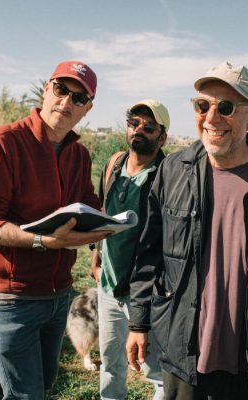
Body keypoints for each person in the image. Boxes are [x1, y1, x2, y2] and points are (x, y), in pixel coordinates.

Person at [126, 61, 248, 399]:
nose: (211, 118)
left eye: (225, 107)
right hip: (184, 348)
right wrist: (138, 323)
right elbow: (149, 253)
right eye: (202, 105)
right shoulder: (173, 170)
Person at [0, 60, 109, 400]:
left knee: (42, 388)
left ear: (87, 109)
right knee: (24, 395)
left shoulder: (79, 154)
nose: (66, 102)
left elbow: (87, 203)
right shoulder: (1, 143)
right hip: (9, 299)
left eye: (79, 98)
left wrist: (112, 224)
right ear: (47, 90)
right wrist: (45, 241)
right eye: (61, 89)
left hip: (58, 295)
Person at [91, 100, 168, 400]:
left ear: (161, 137)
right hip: (108, 287)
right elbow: (102, 211)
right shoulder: (113, 164)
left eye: (149, 127)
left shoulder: (166, 176)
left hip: (146, 293)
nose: (139, 131)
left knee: (157, 371)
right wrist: (96, 256)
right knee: (110, 363)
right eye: (134, 123)